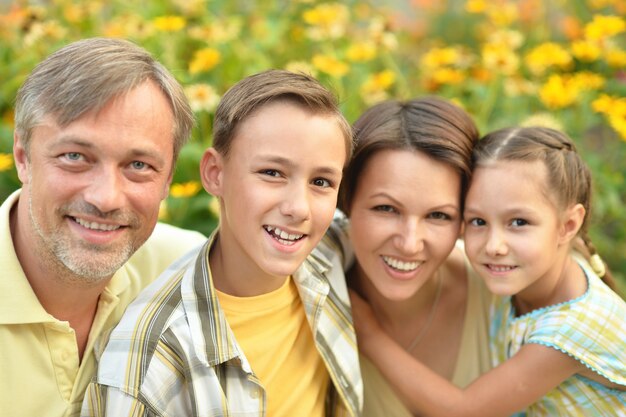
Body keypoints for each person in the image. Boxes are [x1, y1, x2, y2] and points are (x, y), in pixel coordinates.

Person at [82, 69, 363, 417]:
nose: (298, 209)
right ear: (216, 173)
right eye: (272, 173)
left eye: (321, 181)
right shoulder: (149, 365)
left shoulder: (328, 251)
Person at [351, 126, 626, 416]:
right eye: (478, 221)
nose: (494, 246)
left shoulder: (571, 329)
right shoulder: (536, 275)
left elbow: (463, 411)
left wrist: (370, 335)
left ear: (568, 226)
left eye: (518, 222)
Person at [0, 38, 206, 417]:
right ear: (23, 157)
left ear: (169, 178)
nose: (106, 198)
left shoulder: (185, 269)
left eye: (139, 165)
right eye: (75, 157)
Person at [328, 97, 493, 416]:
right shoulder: (316, 307)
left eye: (438, 216)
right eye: (386, 209)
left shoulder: (501, 292)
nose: (409, 243)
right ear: (345, 200)